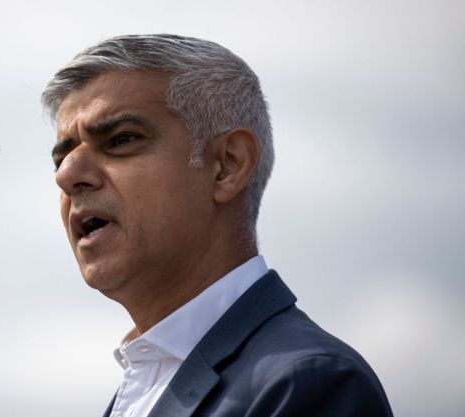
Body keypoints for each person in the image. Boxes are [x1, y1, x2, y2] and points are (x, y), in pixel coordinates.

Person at [41, 34, 393, 417]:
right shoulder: (142, 384)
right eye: (61, 158)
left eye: (121, 139)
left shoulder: (307, 383)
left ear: (227, 165)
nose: (68, 176)